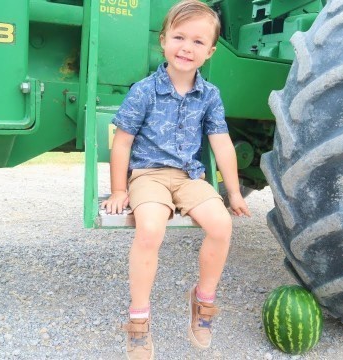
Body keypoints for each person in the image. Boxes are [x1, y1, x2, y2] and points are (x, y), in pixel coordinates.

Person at [101, 0, 251, 358]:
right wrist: (120, 189)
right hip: (148, 176)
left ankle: (203, 301)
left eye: (199, 42)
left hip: (189, 178)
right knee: (150, 228)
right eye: (179, 37)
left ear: (211, 51)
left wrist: (233, 192)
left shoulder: (210, 96)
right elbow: (122, 141)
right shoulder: (145, 90)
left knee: (220, 226)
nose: (187, 47)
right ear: (163, 40)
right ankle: (139, 320)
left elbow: (222, 144)